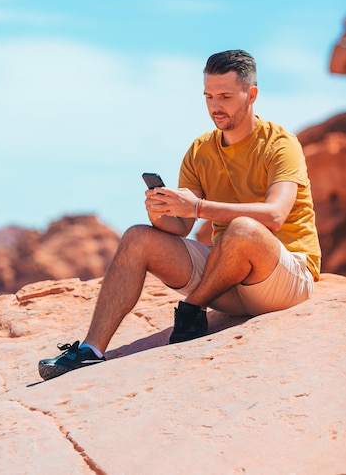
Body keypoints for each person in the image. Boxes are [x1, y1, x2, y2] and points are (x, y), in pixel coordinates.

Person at [38, 49, 321, 380]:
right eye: (209, 96)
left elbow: (274, 216)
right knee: (137, 237)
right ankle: (90, 351)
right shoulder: (201, 149)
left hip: (284, 279)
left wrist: (198, 207)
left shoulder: (280, 144)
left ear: (252, 95)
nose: (216, 106)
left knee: (244, 229)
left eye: (226, 96)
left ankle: (191, 308)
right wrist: (161, 211)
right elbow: (182, 228)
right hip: (227, 282)